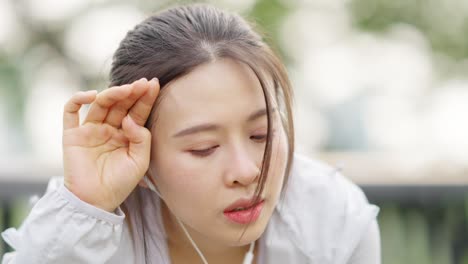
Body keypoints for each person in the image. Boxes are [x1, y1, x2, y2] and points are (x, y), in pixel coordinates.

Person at [1, 3, 380, 264]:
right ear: (145, 162)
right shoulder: (82, 225)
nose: (246, 171)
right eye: (204, 148)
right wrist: (86, 208)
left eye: (261, 134)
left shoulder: (331, 217)